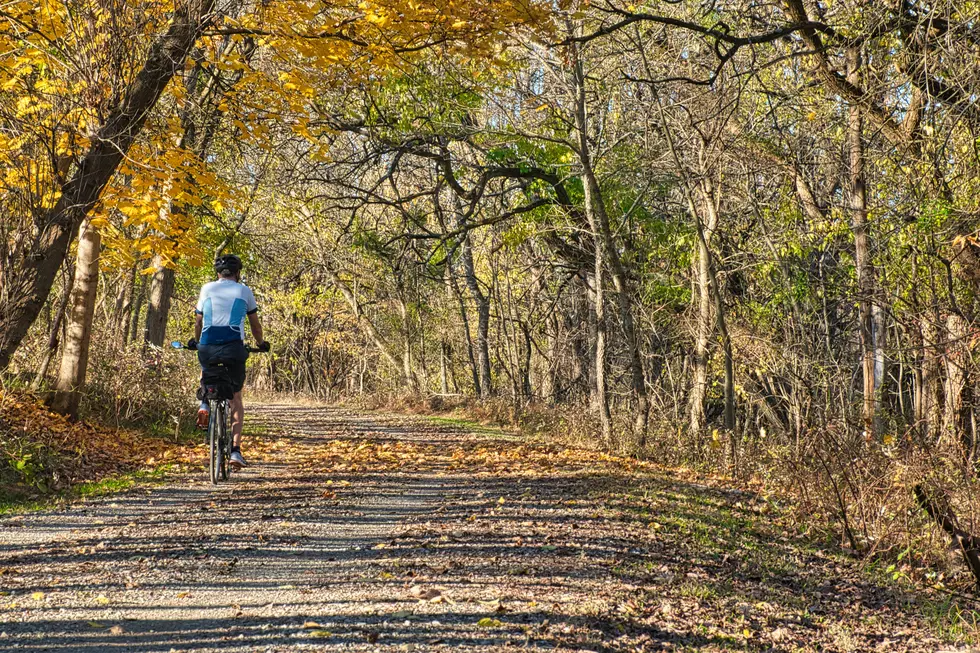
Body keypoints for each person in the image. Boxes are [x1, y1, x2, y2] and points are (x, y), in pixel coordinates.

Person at [190, 254, 269, 469]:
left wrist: (197, 342)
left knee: (206, 367)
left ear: (218, 273)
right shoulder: (244, 291)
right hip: (234, 347)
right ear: (237, 273)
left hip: (207, 346)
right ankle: (235, 451)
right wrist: (261, 344)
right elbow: (255, 325)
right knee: (236, 398)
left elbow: (199, 322)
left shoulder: (207, 288)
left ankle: (205, 401)